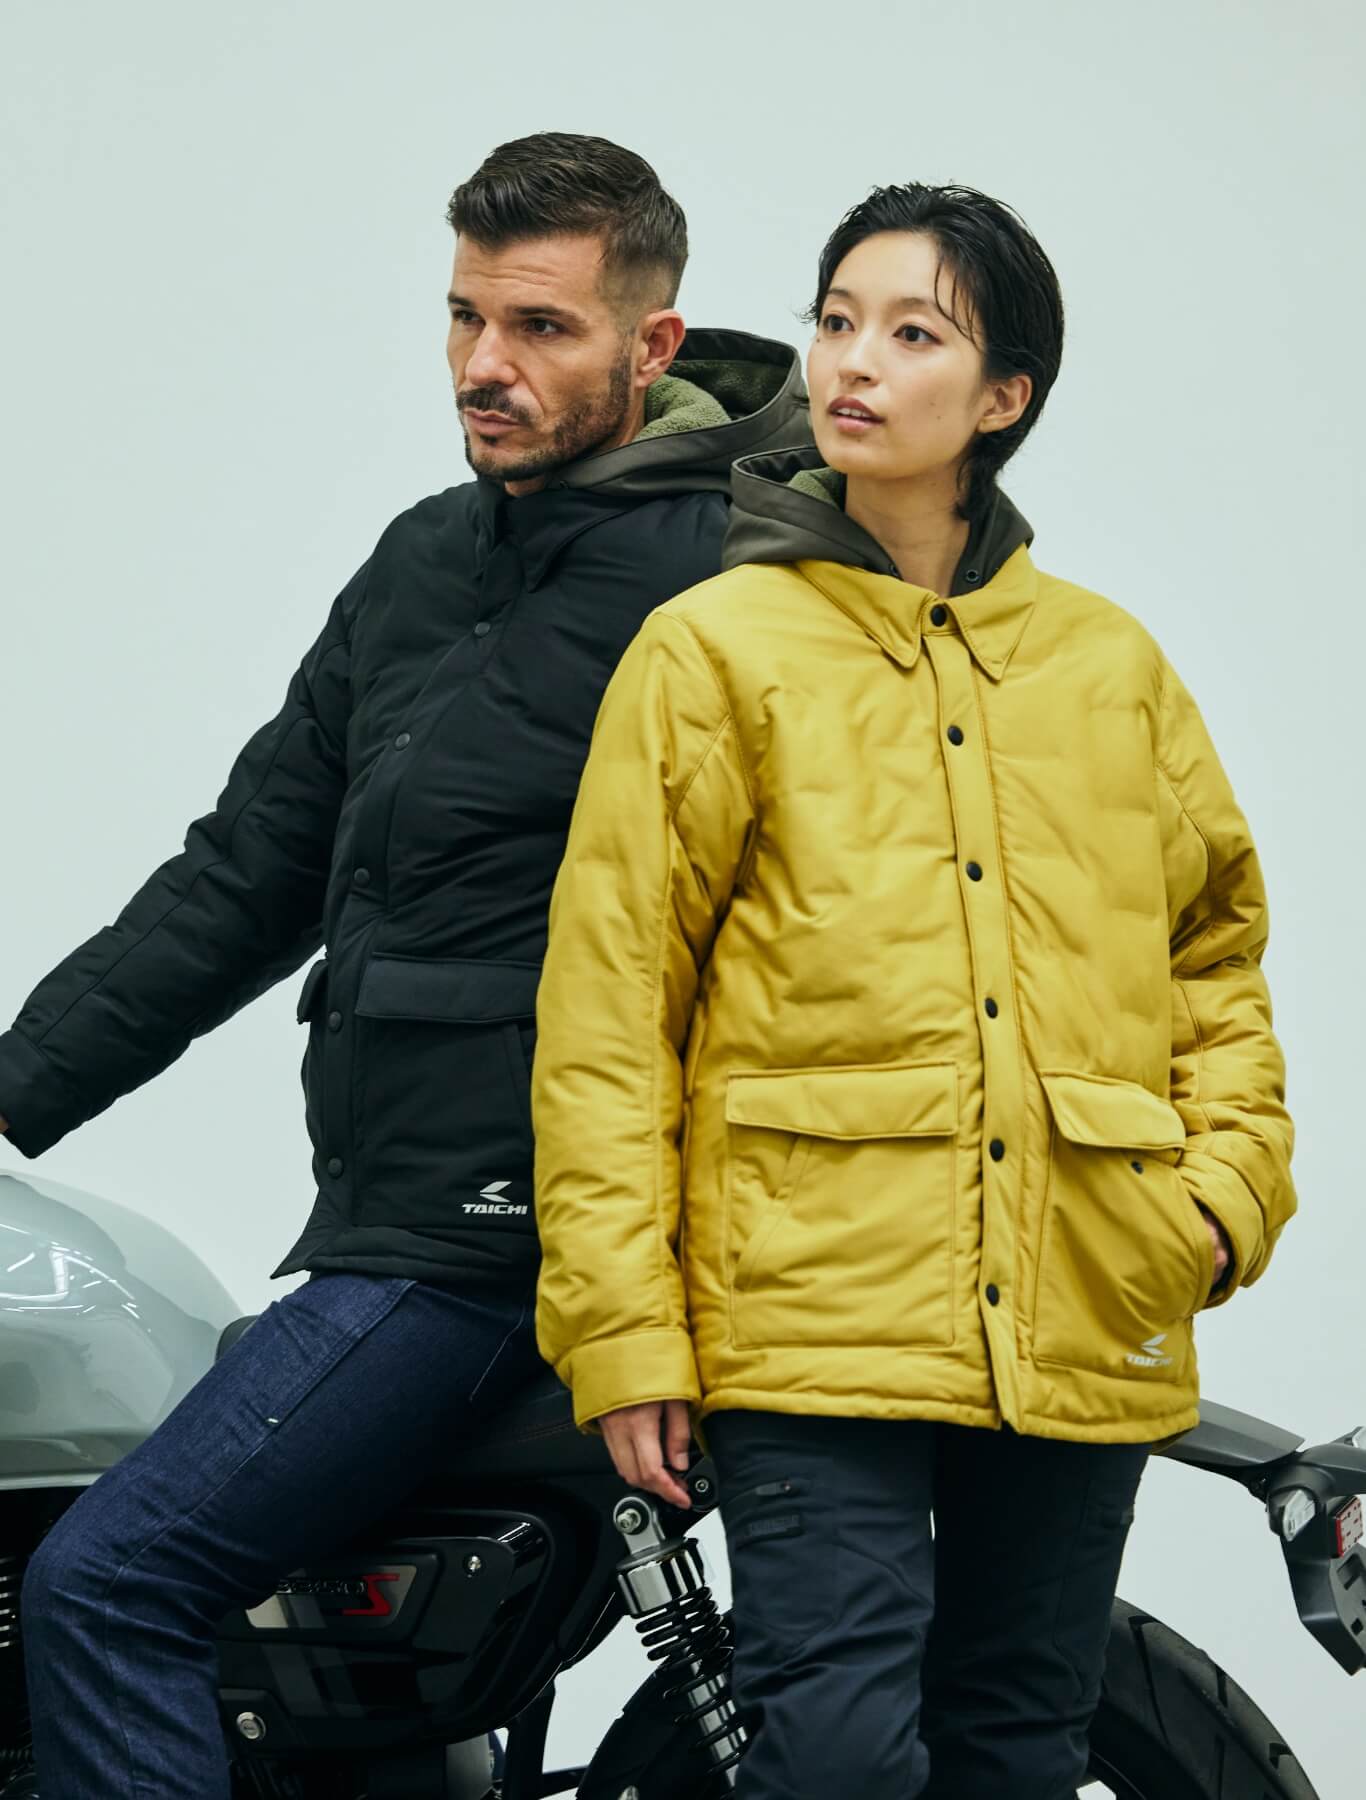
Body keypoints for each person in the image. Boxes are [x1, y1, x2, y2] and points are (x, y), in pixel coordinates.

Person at [0, 131, 808, 1798]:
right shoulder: (423, 564)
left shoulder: (732, 585)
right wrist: (11, 1095)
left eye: (540, 327)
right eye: (463, 317)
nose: (483, 366)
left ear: (651, 345)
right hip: (404, 1222)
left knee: (111, 1584)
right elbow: (243, 878)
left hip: (504, 1245)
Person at [531, 181, 1296, 1799]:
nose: (851, 363)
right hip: (808, 1307)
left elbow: (1214, 961)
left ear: (1002, 395)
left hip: (1083, 1289)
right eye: (833, 322)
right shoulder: (710, 651)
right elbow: (609, 1018)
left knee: (1018, 1747)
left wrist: (1217, 1202)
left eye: (910, 333)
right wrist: (626, 1331)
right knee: (836, 1753)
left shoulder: (1106, 666)